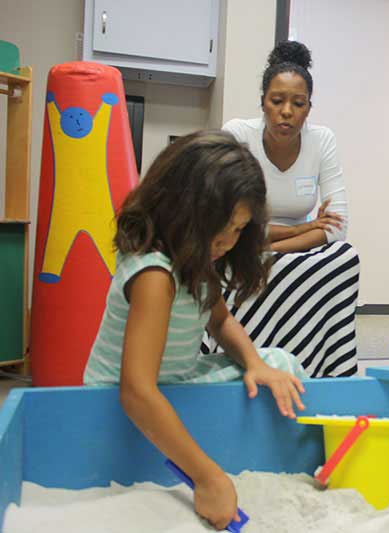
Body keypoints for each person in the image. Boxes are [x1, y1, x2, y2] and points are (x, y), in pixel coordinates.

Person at [83, 130, 307, 530]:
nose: (227, 240)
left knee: (279, 365)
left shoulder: (195, 257)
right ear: (182, 207)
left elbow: (219, 320)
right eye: (220, 227)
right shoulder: (155, 275)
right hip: (123, 401)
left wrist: (254, 363)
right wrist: (208, 477)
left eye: (239, 229)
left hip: (177, 380)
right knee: (276, 373)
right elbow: (135, 391)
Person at [206, 40, 359, 377]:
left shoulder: (323, 141)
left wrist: (267, 246)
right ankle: (243, 359)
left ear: (308, 108)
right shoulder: (237, 133)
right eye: (277, 101)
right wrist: (295, 231)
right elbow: (221, 219)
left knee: (346, 256)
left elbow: (337, 227)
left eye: (298, 103)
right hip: (238, 241)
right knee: (225, 258)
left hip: (282, 246)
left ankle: (322, 367)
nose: (287, 111)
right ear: (263, 102)